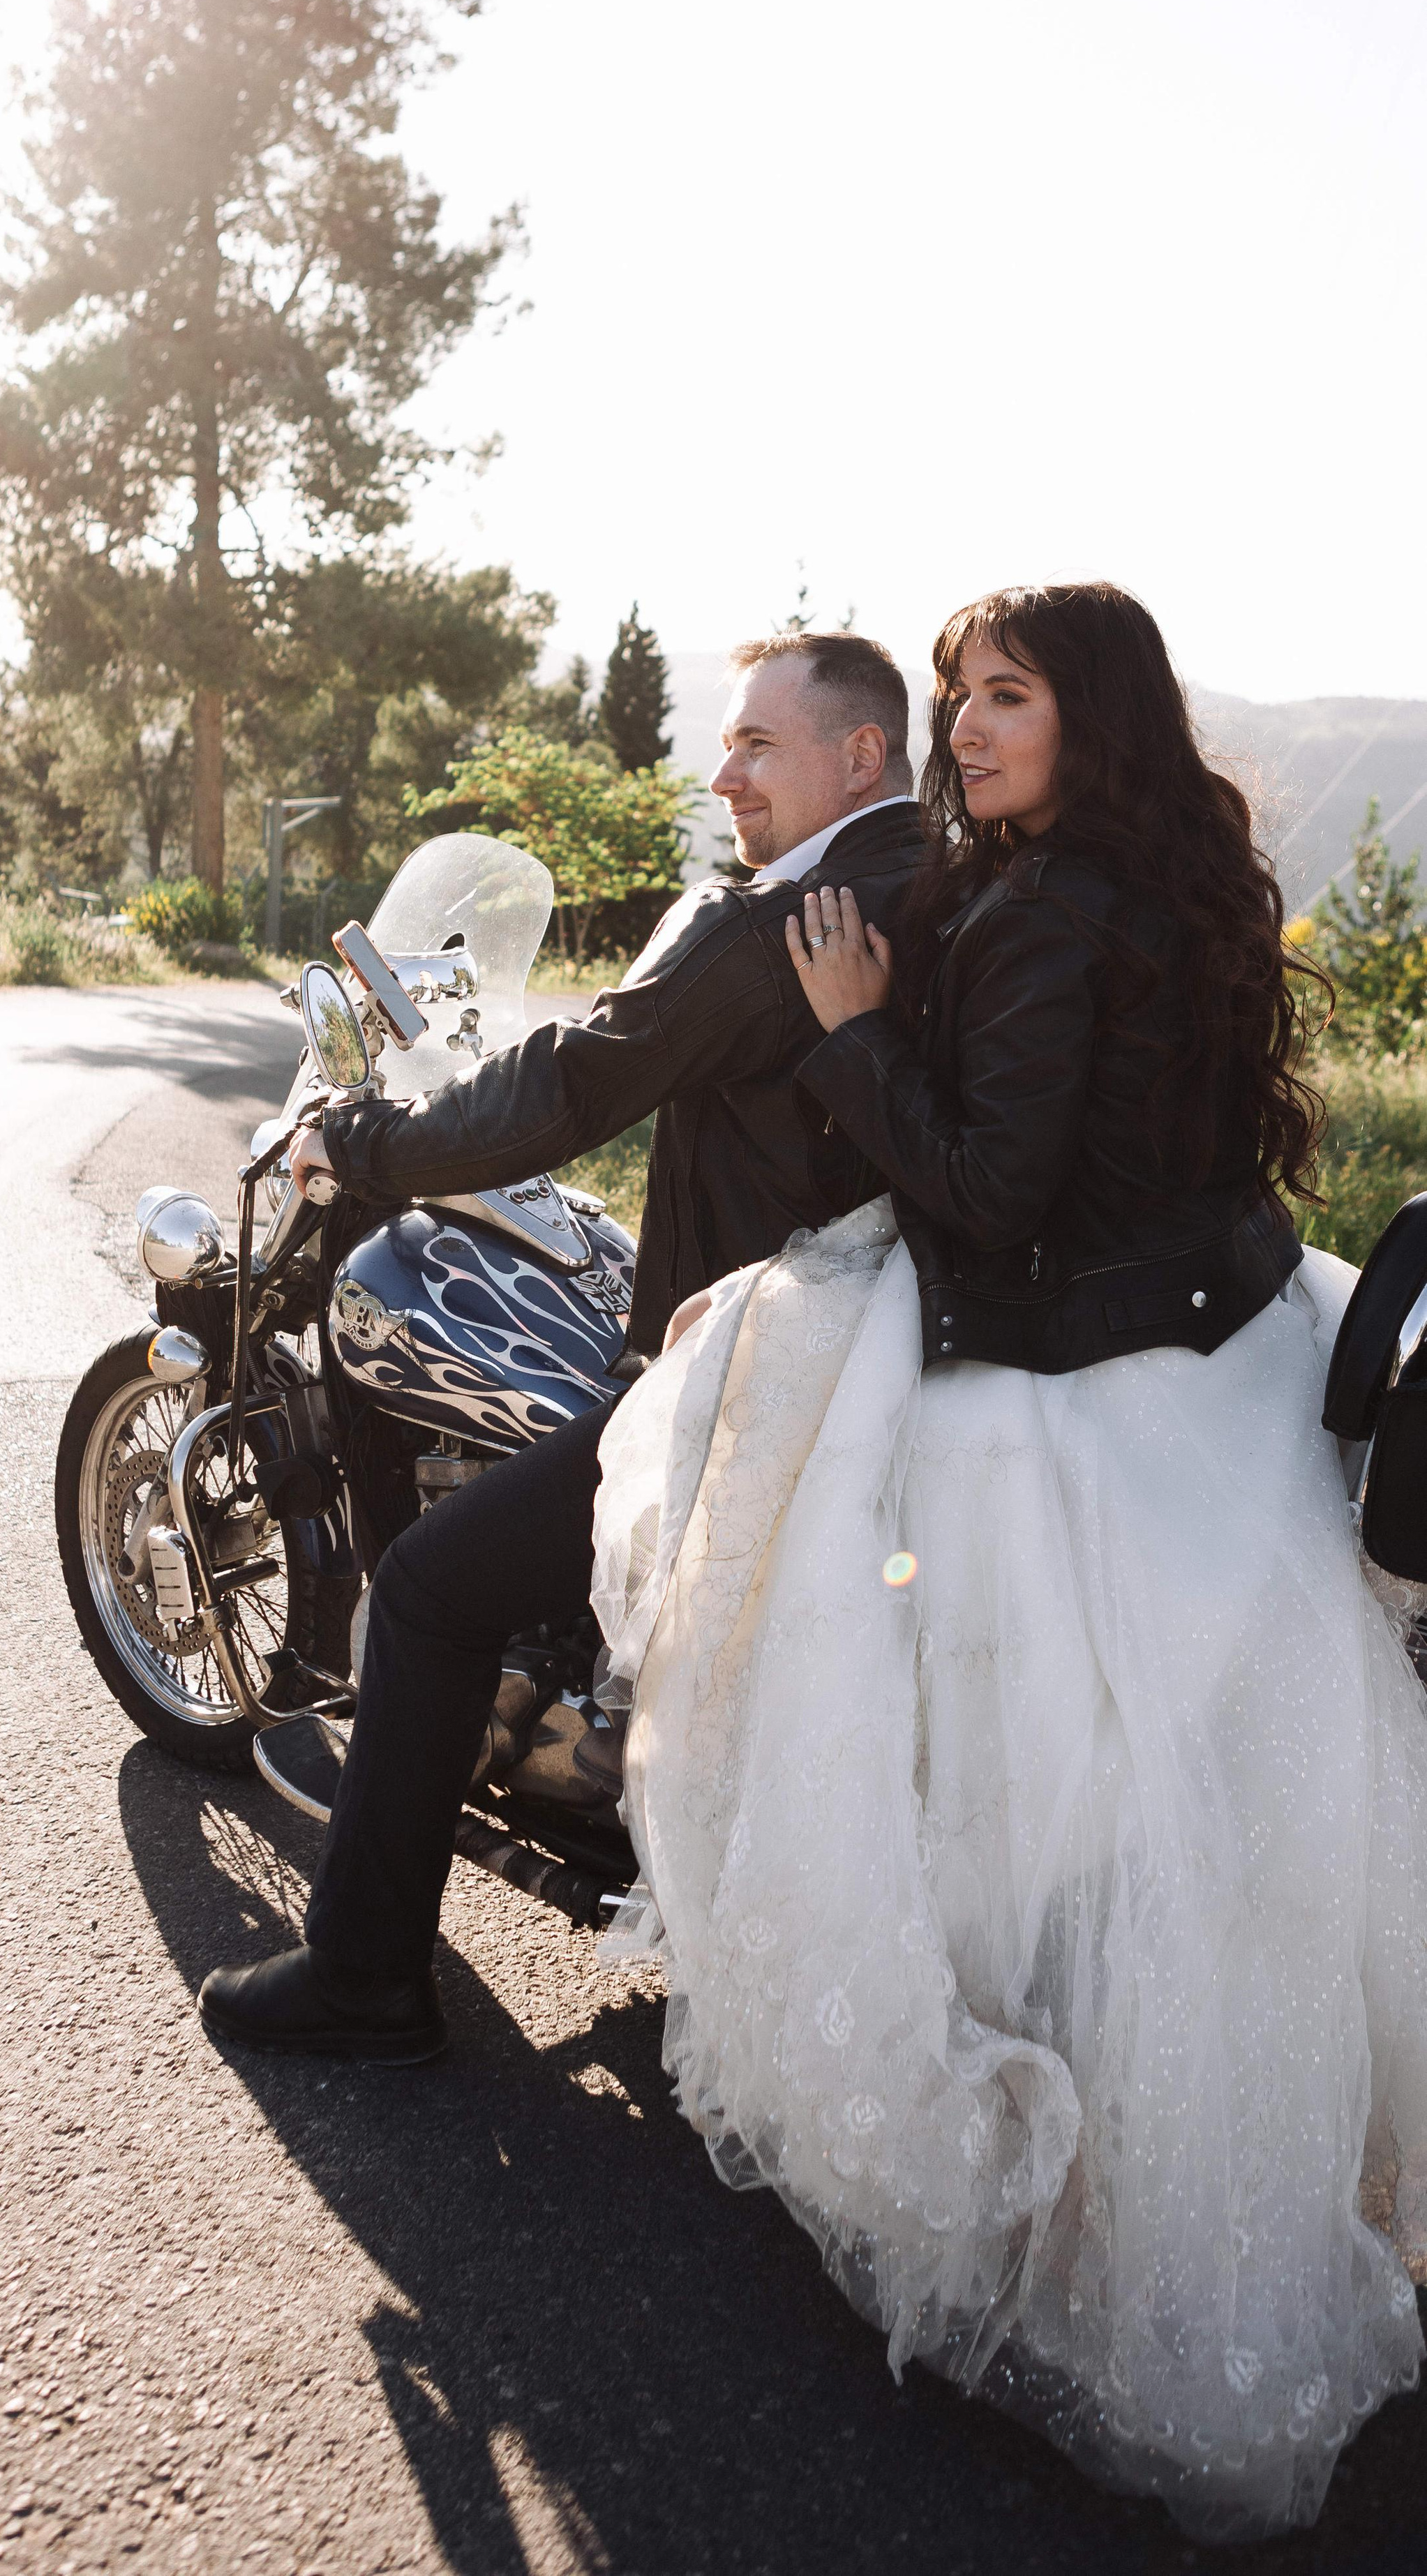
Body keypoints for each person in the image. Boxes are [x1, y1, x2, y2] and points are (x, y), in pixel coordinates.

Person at [588, 582, 1427, 2540]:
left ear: (1093, 718)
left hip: (1057, 1383)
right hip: (1223, 1347)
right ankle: (1306, 2179)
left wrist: (853, 1035)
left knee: (963, 1799)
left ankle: (1069, 2210)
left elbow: (978, 1199)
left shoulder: (1048, 912)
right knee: (1225, 1860)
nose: (967, 726)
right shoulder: (1170, 887)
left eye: (1006, 698)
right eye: (958, 692)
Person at [197, 630, 929, 2059]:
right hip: (894, 1355)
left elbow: (577, 1075)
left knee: (424, 1589)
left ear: (859, 756)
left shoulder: (780, 921)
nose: (722, 774)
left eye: (757, 747)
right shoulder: (946, 888)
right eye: (722, 744)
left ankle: (363, 1977)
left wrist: (373, 1141)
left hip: (750, 1363)